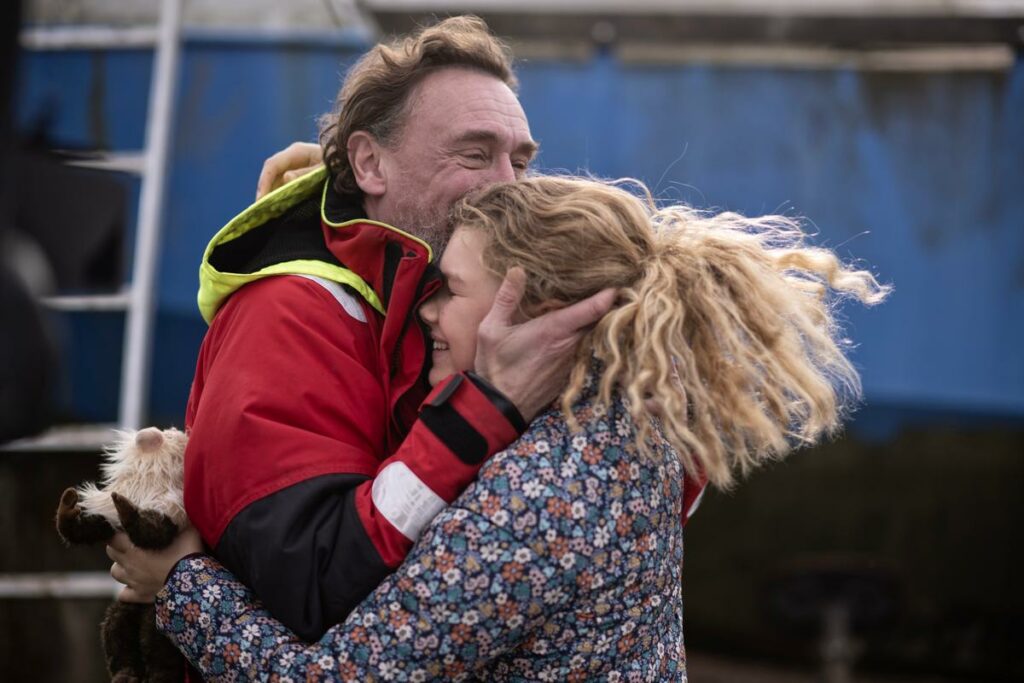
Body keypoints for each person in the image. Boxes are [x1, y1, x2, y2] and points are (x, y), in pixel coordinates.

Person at [110, 175, 889, 680]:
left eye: (449, 288)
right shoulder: (633, 425)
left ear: (539, 308)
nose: (426, 311)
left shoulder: (546, 493)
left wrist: (179, 584)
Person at [132, 16, 614, 644]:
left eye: (520, 160)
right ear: (369, 163)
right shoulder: (290, 316)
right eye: (474, 154)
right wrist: (482, 409)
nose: (508, 187)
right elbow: (309, 587)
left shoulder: (447, 294)